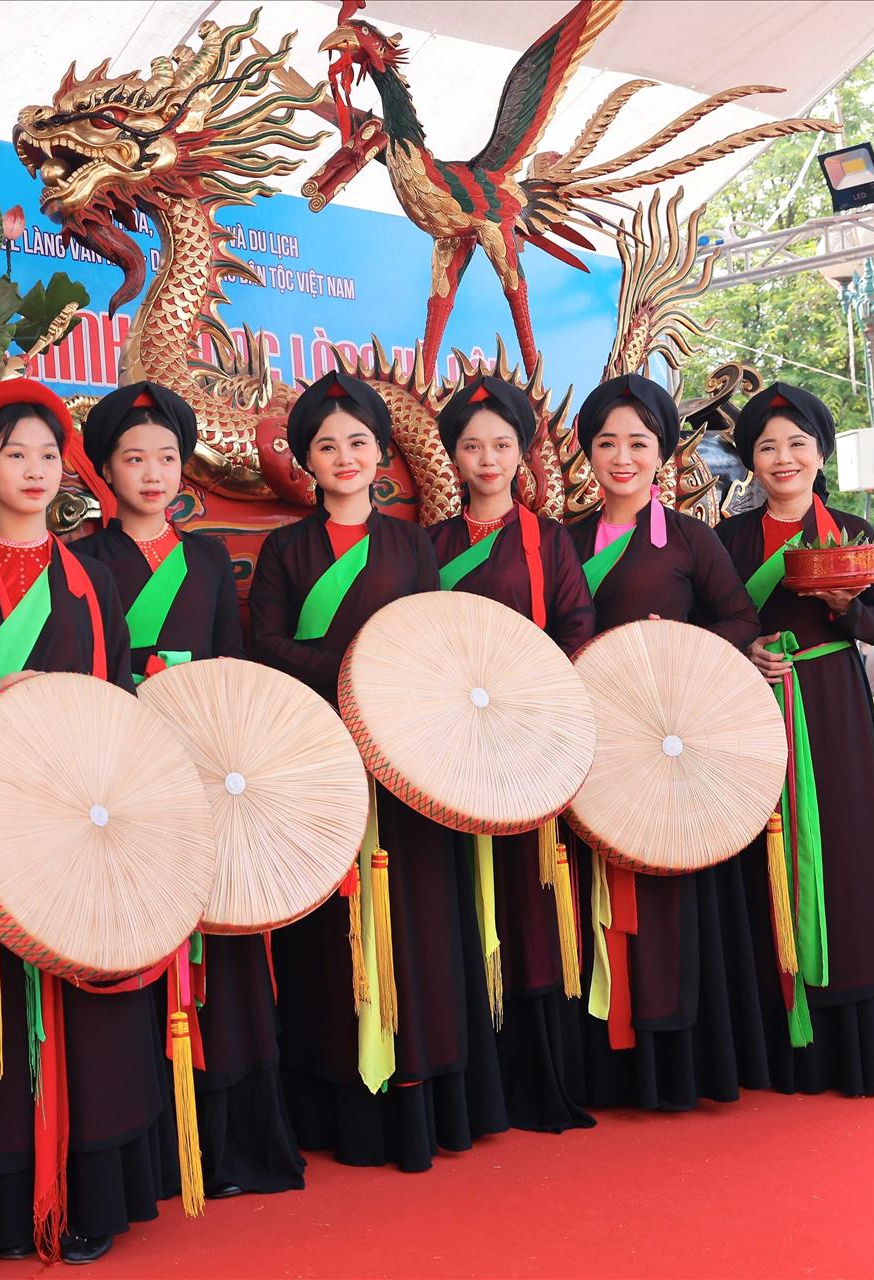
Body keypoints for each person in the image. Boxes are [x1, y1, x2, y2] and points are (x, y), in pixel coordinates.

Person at [0, 378, 166, 1267]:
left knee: (87, 1004)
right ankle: (4, 1198)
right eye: (14, 454)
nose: (33, 469)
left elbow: (120, 692)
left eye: (48, 455)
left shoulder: (94, 579)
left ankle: (91, 1191)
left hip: (80, 817)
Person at [249, 369, 508, 1172]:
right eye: (327, 446)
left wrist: (388, 690)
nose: (345, 456)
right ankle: (341, 1107)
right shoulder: (285, 548)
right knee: (329, 935)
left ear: (382, 453)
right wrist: (351, 671)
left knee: (419, 923)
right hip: (322, 758)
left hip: (406, 763)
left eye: (358, 442)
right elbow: (264, 645)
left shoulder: (410, 543)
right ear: (305, 461)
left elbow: (431, 643)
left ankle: (423, 1092)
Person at [73, 380, 305, 1199]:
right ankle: (157, 1151)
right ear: (105, 470)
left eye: (167, 458)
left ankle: (230, 1144)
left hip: (203, 771)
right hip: (126, 778)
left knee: (224, 956)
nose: (153, 473)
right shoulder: (84, 564)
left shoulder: (207, 559)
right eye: (134, 459)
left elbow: (231, 668)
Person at [563, 374, 771, 1112]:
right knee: (588, 892)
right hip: (588, 744)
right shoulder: (563, 539)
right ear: (587, 452)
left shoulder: (689, 538)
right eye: (607, 443)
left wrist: (680, 644)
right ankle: (598, 1065)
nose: (622, 458)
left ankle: (673, 1060)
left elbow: (740, 620)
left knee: (666, 893)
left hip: (664, 746)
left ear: (663, 452)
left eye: (638, 443)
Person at [720, 382, 874, 1097]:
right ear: (751, 460)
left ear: (820, 453)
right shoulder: (729, 538)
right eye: (767, 447)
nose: (784, 458)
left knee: (844, 854)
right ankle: (766, 1036)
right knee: (753, 851)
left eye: (797, 444)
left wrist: (845, 608)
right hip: (750, 709)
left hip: (833, 708)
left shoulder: (854, 531)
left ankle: (847, 1039)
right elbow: (709, 616)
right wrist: (744, 648)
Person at [428, 374, 596, 1134]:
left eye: (502, 445)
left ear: (523, 453)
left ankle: (538, 1081)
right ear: (454, 457)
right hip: (445, 748)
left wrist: (530, 701)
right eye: (473, 446)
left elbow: (575, 631)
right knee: (459, 900)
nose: (488, 459)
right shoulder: (428, 545)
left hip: (525, 744)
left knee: (528, 905)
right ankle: (475, 1081)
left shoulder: (549, 541)